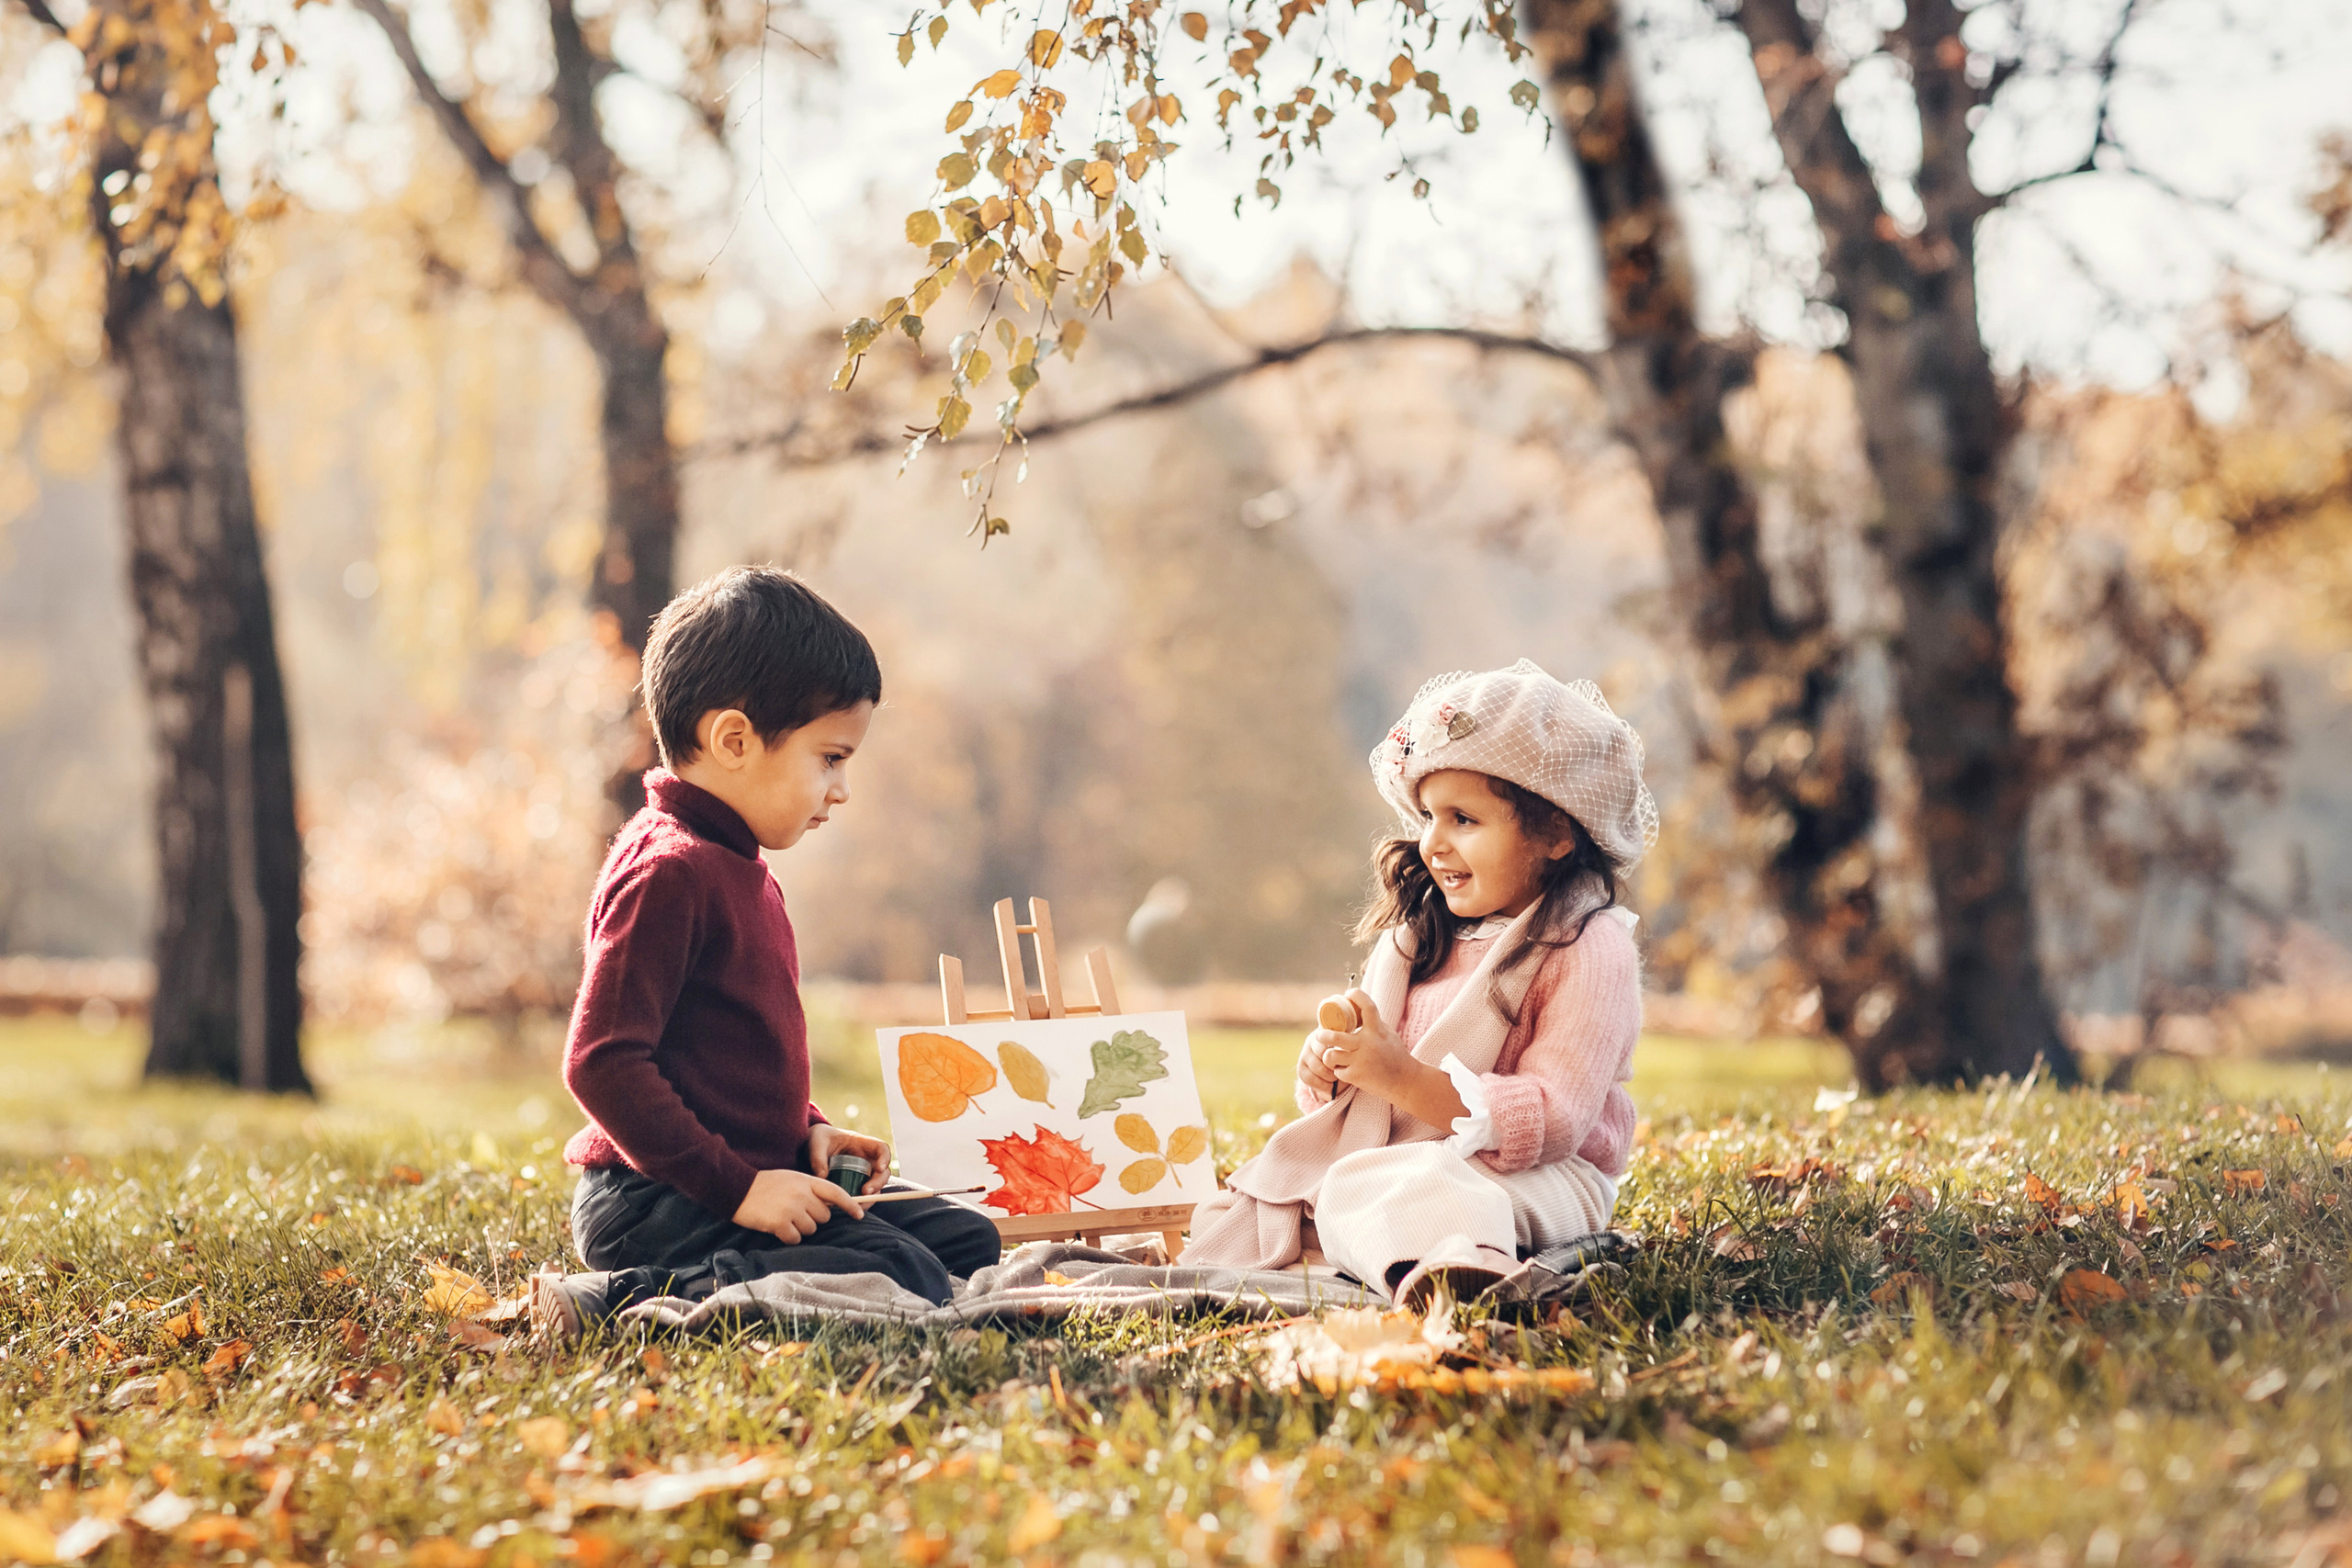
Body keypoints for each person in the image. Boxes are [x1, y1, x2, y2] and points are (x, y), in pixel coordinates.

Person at [531, 567, 1001, 1336]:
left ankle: (776, 1260)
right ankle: (617, 1297)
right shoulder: (669, 870)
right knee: (903, 1269)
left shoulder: (739, 866)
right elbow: (601, 1062)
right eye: (830, 758)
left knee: (967, 1241)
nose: (841, 789)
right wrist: (743, 1189)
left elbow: (730, 1058)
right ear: (735, 740)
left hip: (742, 1174)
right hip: (657, 1197)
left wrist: (808, 1130)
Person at [1183, 660, 1656, 1307]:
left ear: (1555, 834)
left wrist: (1402, 1076)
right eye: (1429, 815)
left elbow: (1556, 1119)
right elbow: (1372, 1101)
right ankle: (1403, 1259)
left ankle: (1471, 1272)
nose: (1433, 842)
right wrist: (1334, 1069)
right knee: (1252, 1208)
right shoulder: (1418, 939)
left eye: (1464, 819)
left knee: (1408, 1183)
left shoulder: (1587, 946)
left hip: (1544, 1174)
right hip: (1407, 1160)